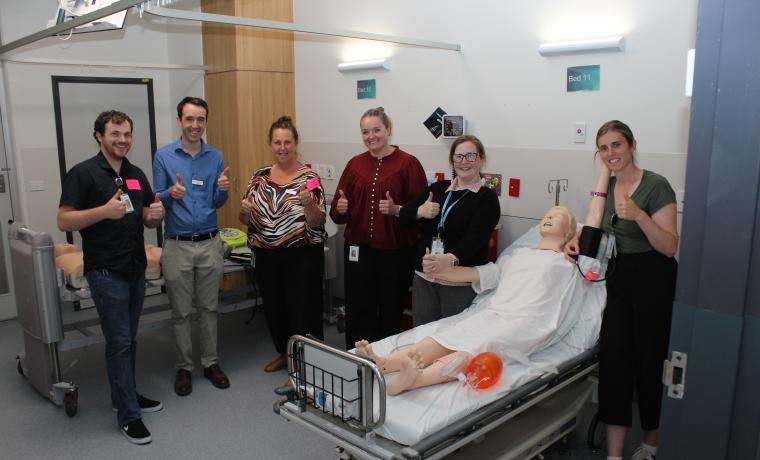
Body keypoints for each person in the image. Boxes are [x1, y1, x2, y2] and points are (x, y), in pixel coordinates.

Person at [355, 206, 580, 395]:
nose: (548, 217)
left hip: (526, 324)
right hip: (495, 313)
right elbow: (479, 274)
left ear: (570, 231)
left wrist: (577, 239)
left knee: (478, 345)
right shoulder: (518, 256)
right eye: (547, 215)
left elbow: (591, 236)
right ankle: (384, 363)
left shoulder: (568, 264)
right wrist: (440, 270)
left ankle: (416, 379)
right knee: (448, 336)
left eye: (557, 216)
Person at [565, 120, 678, 460]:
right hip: (619, 278)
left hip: (654, 278)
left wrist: (640, 216)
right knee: (615, 364)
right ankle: (615, 455)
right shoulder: (607, 186)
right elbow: (595, 226)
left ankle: (650, 444)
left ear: (631, 145)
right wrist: (576, 240)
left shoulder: (657, 186)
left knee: (649, 363)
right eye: (603, 148)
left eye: (616, 145)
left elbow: (670, 246)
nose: (610, 153)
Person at [58, 110, 165, 444]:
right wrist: (104, 211)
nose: (122, 140)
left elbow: (147, 217)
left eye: (127, 134)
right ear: (99, 136)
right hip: (105, 270)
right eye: (115, 134)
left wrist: (154, 214)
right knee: (118, 343)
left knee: (128, 340)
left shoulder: (135, 174)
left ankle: (126, 395)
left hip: (134, 268)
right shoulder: (84, 174)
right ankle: (128, 415)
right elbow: (64, 221)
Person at [329, 107, 427, 349]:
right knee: (359, 306)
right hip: (358, 251)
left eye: (376, 130)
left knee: (390, 308)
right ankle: (357, 357)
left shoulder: (408, 164)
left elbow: (423, 213)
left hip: (394, 252)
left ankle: (386, 361)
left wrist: (398, 209)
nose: (371, 136)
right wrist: (340, 207)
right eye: (365, 131)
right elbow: (337, 212)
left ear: (388, 129)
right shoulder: (354, 164)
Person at [153, 97, 231, 396]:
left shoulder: (215, 156)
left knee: (210, 308)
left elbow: (216, 202)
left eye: (200, 119)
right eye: (189, 119)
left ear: (205, 121)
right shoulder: (164, 156)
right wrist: (171, 193)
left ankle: (210, 362)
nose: (195, 125)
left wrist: (223, 192)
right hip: (178, 244)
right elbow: (157, 198)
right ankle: (184, 367)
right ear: (179, 121)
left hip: (210, 242)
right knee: (181, 312)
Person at [240, 116, 326, 372]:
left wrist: (309, 203)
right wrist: (243, 212)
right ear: (271, 144)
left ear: (296, 143)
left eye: (287, 142)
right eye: (277, 142)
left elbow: (319, 220)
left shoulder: (309, 177)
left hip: (302, 256)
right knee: (274, 307)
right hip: (266, 256)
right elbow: (245, 218)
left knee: (301, 308)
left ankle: (303, 363)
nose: (282, 147)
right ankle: (284, 353)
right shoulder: (259, 177)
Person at [395, 135, 500, 326]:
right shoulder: (438, 189)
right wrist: (420, 211)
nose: (464, 162)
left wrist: (450, 259)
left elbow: (475, 240)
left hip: (457, 282)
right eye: (459, 157)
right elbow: (404, 216)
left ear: (481, 159)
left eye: (470, 156)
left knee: (450, 340)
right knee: (421, 335)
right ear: (452, 161)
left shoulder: (487, 198)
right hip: (425, 277)